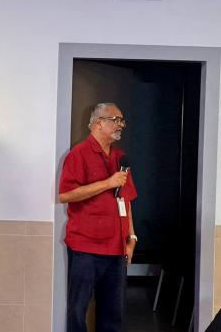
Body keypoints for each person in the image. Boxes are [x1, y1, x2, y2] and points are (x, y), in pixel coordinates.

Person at [58, 102, 138, 332]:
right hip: (86, 248)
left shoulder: (121, 158)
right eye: (116, 119)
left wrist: (131, 238)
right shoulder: (78, 154)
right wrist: (107, 183)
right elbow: (66, 195)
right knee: (78, 309)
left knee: (113, 313)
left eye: (122, 120)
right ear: (98, 122)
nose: (120, 125)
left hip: (116, 249)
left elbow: (127, 200)